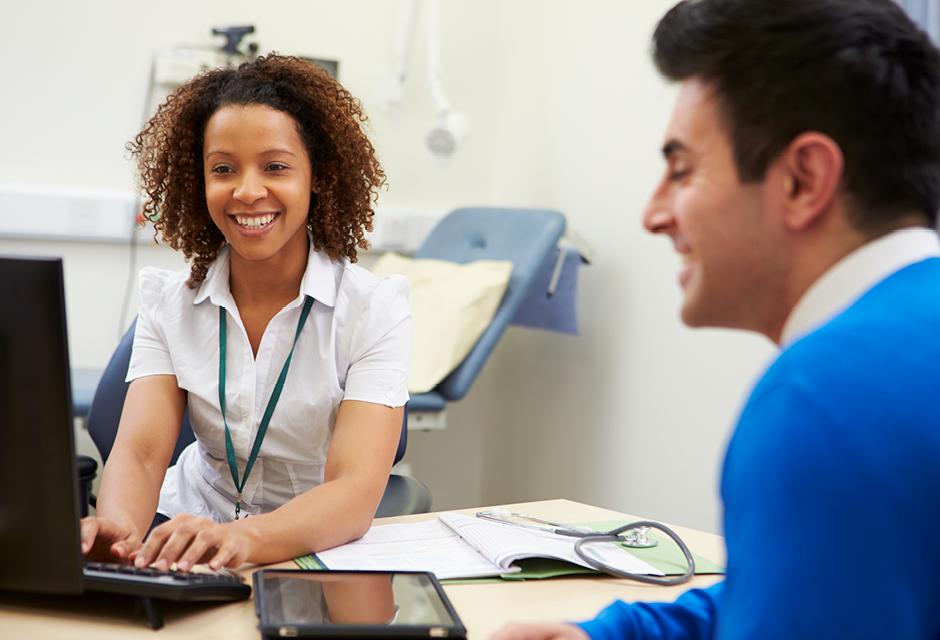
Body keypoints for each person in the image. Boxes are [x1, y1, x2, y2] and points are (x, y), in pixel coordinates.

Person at [492, 0, 940, 638]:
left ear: (802, 180)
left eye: (681, 169)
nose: (654, 213)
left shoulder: (825, 399)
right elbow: (801, 589)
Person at [80, 54, 411, 572]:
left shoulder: (374, 309)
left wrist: (240, 540)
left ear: (317, 176)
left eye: (275, 166)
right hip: (186, 536)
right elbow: (143, 454)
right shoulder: (170, 304)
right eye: (223, 169)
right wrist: (119, 541)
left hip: (308, 548)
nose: (247, 190)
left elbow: (353, 489)